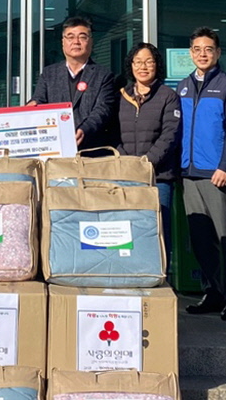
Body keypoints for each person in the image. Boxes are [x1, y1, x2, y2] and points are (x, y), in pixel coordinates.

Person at [179, 27, 226, 321]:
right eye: (197, 49)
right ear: (190, 53)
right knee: (201, 239)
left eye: (208, 49)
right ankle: (213, 291)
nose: (202, 54)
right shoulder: (181, 87)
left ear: (218, 53)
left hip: (216, 173)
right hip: (188, 173)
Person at [115, 42, 181, 266]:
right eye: (138, 62)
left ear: (157, 65)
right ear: (131, 65)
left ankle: (160, 274)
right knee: (128, 229)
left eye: (149, 62)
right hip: (126, 174)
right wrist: (126, 160)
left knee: (158, 229)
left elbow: (169, 135)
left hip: (157, 177)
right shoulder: (121, 96)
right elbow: (113, 132)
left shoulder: (168, 96)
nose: (143, 67)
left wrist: (146, 162)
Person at [27, 16, 117, 151]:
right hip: (56, 150)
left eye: (82, 37)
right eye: (70, 37)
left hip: (91, 150)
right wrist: (30, 107)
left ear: (90, 42)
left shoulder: (104, 75)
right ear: (63, 42)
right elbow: (39, 100)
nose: (76, 42)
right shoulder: (49, 74)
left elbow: (103, 109)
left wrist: (84, 129)